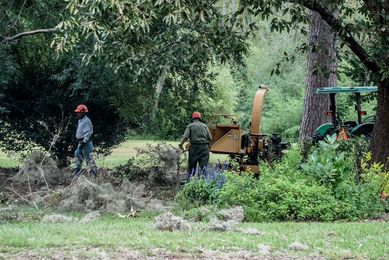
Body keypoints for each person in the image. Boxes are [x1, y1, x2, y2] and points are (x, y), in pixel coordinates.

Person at [179, 111, 212, 179]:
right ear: (200, 118)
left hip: (194, 148)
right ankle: (202, 182)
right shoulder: (204, 126)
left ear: (193, 118)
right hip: (204, 148)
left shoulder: (190, 126)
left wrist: (181, 144)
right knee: (203, 167)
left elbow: (185, 137)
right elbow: (210, 138)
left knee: (192, 165)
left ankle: (189, 180)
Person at [74, 104, 97, 176]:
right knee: (77, 154)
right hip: (81, 141)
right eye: (77, 112)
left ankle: (93, 173)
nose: (77, 114)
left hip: (85, 142)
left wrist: (84, 142)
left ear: (83, 112)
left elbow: (88, 132)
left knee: (88, 158)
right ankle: (78, 170)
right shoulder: (80, 120)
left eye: (79, 112)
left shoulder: (86, 121)